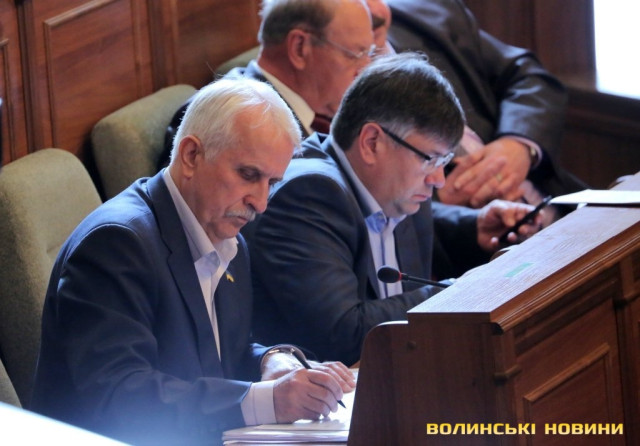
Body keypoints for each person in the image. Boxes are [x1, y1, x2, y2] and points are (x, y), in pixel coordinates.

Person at [30, 78, 355, 445]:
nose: (261, 203)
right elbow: (122, 397)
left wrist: (273, 360)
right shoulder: (116, 244)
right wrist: (268, 401)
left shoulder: (226, 235)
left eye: (272, 183)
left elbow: (220, 354)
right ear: (190, 155)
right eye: (248, 175)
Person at [248, 53, 542, 366]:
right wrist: (462, 293)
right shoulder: (307, 194)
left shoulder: (393, 184)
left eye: (443, 161)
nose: (439, 179)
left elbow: (405, 224)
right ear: (372, 142)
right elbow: (346, 335)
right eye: (431, 159)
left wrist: (474, 227)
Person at [365, 0, 586, 211]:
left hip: (557, 202)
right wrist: (439, 204)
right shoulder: (346, 90)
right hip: (474, 232)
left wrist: (519, 145)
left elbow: (528, 76)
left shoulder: (431, 13)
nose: (375, 10)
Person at [159, 0, 375, 170]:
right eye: (354, 54)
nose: (365, 69)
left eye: (369, 54)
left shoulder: (328, 113)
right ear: (300, 48)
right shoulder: (221, 116)